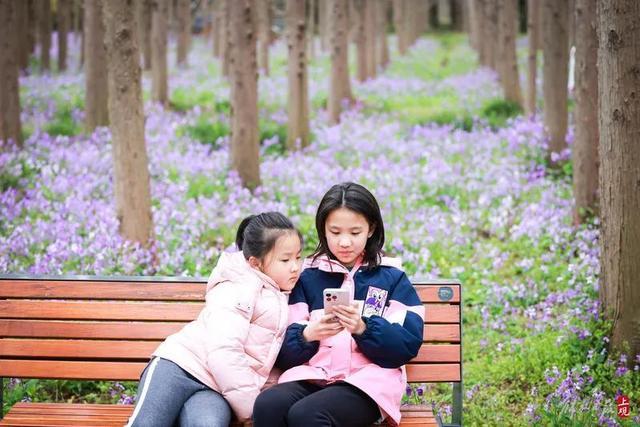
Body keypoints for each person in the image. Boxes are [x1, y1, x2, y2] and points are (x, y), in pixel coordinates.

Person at [253, 183, 424, 427]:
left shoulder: (392, 278)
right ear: (323, 229)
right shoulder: (307, 277)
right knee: (268, 405)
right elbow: (278, 348)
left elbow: (406, 345)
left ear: (371, 229)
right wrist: (307, 334)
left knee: (309, 414)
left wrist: (364, 329)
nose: (345, 242)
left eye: (355, 233)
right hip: (314, 376)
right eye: (335, 232)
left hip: (368, 384)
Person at [126, 212, 303, 427]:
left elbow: (265, 359)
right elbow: (224, 350)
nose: (295, 266)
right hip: (177, 368)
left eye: (298, 257)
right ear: (255, 263)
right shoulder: (238, 287)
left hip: (215, 389)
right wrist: (251, 410)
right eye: (285, 260)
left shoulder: (282, 294)